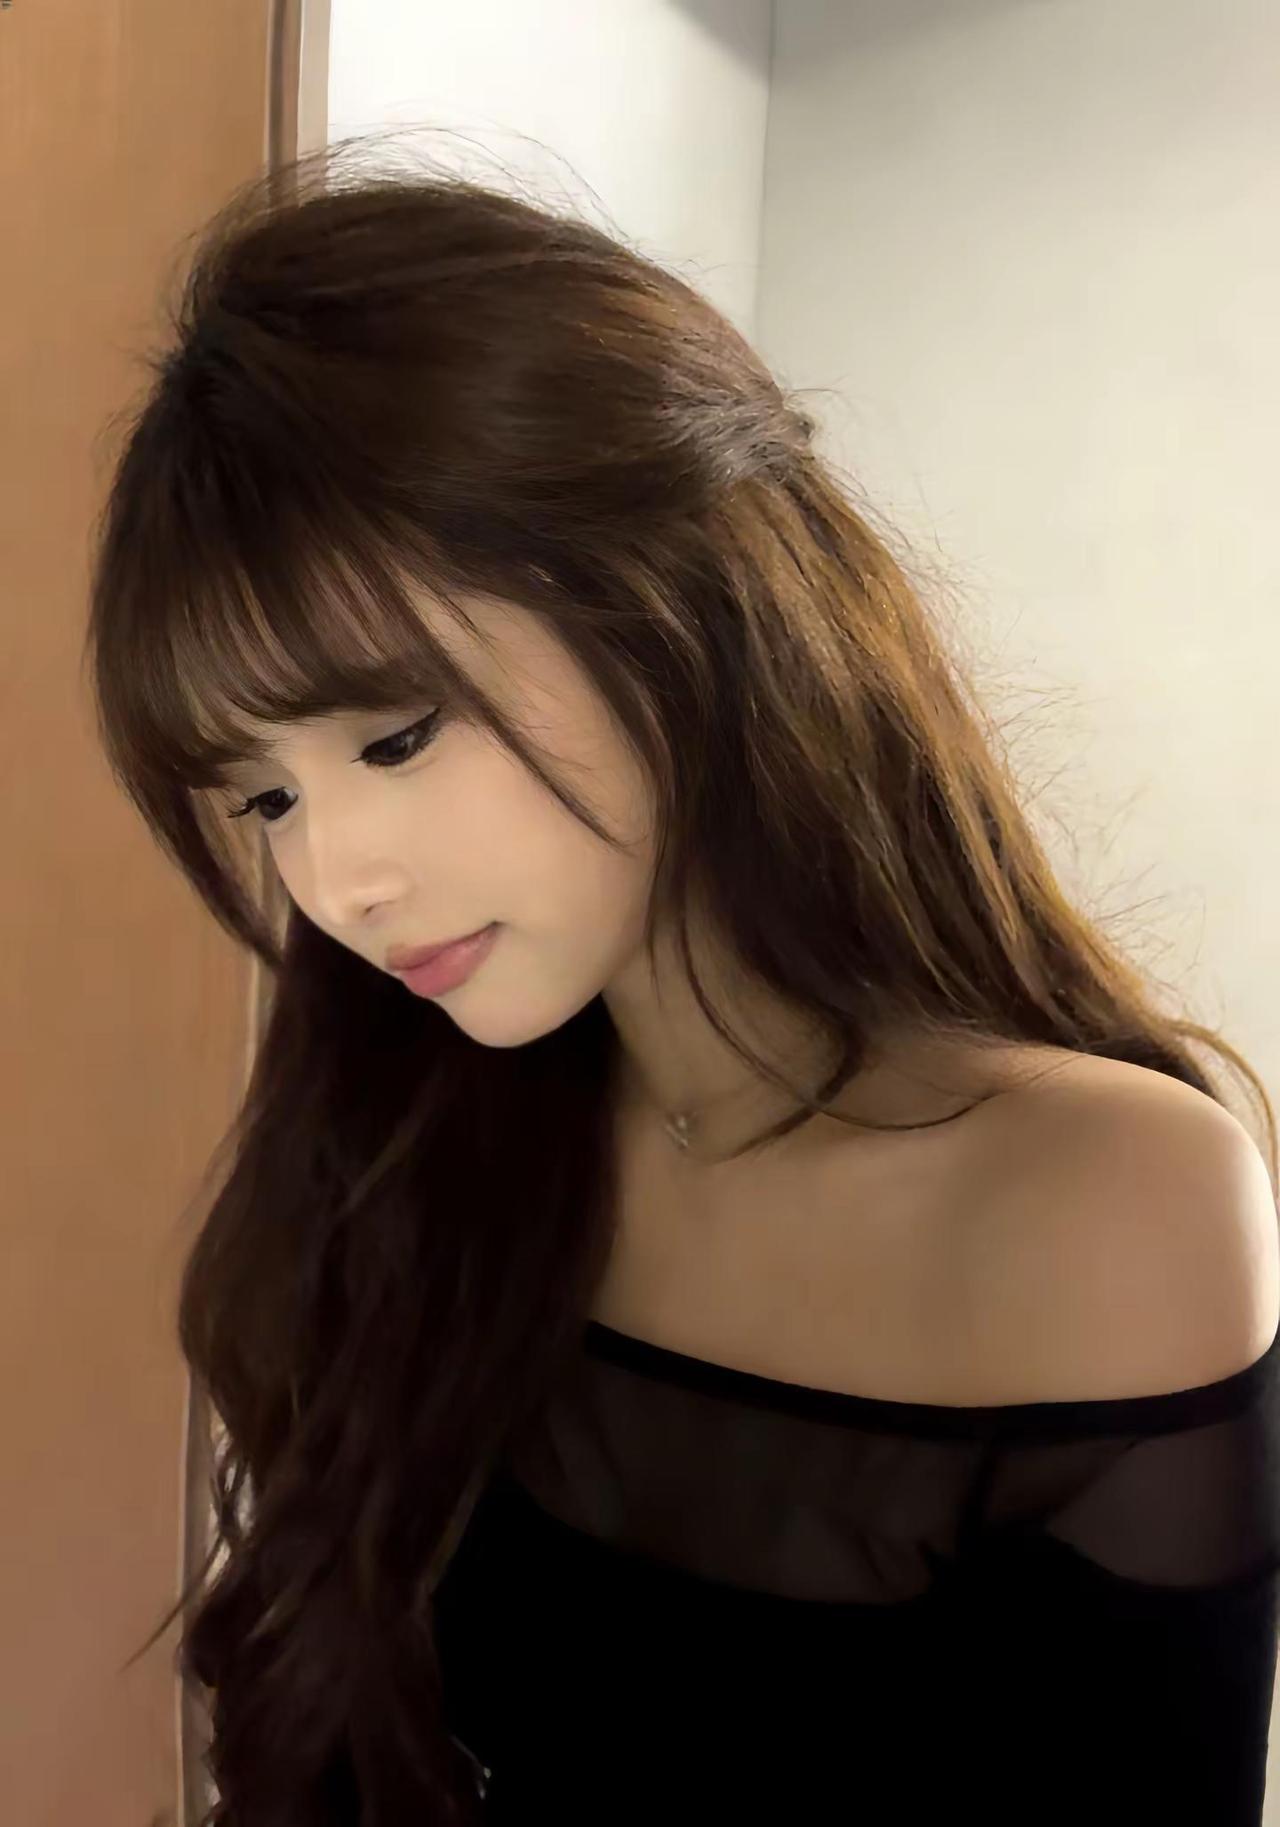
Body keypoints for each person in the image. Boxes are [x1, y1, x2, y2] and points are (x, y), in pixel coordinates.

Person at [88, 137, 1280, 1825]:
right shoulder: (419, 1141)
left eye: (396, 737)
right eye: (267, 799)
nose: (336, 882)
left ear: (684, 599)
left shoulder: (1107, 1198)